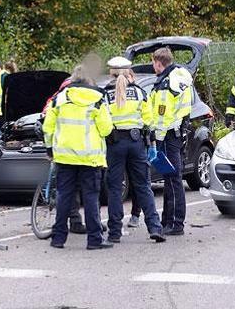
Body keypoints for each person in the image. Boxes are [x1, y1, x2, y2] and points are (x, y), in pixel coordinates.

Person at [43, 64, 114, 250]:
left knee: (64, 196)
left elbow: (48, 127)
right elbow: (106, 128)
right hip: (90, 158)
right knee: (91, 198)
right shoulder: (98, 99)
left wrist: (50, 148)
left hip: (65, 157)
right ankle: (94, 240)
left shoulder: (59, 99)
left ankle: (58, 239)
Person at [103, 56, 165, 243]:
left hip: (114, 144)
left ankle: (114, 232)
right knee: (143, 186)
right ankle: (155, 228)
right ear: (129, 72)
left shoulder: (105, 95)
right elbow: (149, 120)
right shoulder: (139, 93)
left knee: (114, 189)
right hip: (136, 142)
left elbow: (103, 123)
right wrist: (151, 143)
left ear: (111, 73)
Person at [148, 48, 192, 236]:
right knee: (170, 179)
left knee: (173, 179)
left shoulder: (167, 83)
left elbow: (163, 115)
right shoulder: (176, 78)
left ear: (158, 62)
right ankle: (169, 220)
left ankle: (175, 223)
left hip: (167, 135)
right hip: (173, 134)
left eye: (153, 63)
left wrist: (156, 136)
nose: (152, 66)